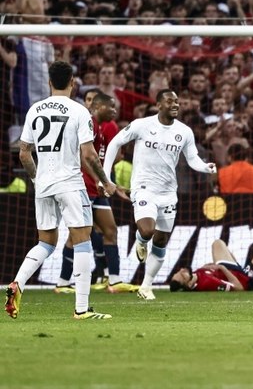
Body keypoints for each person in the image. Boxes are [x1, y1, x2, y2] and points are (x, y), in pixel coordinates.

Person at [5, 60, 116, 320]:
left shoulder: (34, 110)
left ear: (49, 82)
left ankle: (17, 283)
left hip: (43, 184)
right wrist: (105, 180)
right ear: (73, 83)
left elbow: (23, 153)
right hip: (70, 183)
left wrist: (36, 178)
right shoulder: (79, 111)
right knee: (83, 241)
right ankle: (81, 309)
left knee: (46, 242)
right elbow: (88, 155)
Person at [103, 89, 217, 301]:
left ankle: (146, 286)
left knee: (161, 240)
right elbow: (115, 143)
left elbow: (192, 159)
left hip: (168, 192)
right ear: (158, 105)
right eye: (170, 101)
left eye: (177, 101)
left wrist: (205, 167)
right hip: (144, 187)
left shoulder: (184, 132)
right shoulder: (141, 125)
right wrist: (106, 177)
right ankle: (140, 240)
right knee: (147, 230)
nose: (175, 104)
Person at [54, 93, 138, 295]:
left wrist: (109, 183)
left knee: (110, 231)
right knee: (76, 236)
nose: (115, 111)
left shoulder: (107, 127)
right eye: (111, 108)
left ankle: (115, 281)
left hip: (98, 188)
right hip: (81, 186)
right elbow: (84, 158)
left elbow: (107, 157)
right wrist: (103, 180)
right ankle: (63, 283)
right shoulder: (85, 123)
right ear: (98, 107)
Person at [169, 235, 253, 292]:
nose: (181, 271)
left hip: (231, 269)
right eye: (181, 276)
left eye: (178, 272)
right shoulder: (207, 283)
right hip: (245, 279)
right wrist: (221, 267)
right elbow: (239, 288)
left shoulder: (196, 276)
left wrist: (209, 267)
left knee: (217, 243)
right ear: (188, 284)